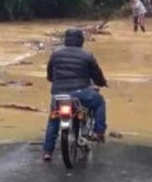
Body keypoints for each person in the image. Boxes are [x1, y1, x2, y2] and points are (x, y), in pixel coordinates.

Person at [43, 29, 108, 161]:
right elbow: (96, 75)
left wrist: (56, 82)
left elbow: (50, 75)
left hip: (59, 93)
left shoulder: (55, 54)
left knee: (54, 119)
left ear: (66, 40)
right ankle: (99, 132)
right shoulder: (87, 55)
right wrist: (102, 83)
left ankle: (47, 151)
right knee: (99, 101)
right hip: (80, 93)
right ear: (81, 40)